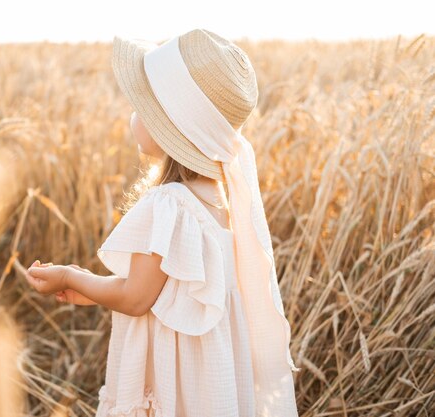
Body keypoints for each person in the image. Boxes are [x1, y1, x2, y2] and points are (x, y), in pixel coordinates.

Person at [25, 28, 300, 417]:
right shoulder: (223, 206)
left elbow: (136, 298)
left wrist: (71, 276)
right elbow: (164, 294)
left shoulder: (169, 205)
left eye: (143, 108)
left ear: (170, 127)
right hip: (210, 383)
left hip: (177, 386)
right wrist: (90, 290)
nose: (134, 115)